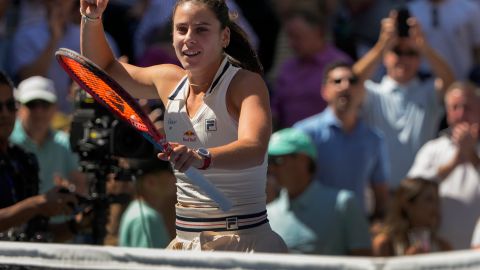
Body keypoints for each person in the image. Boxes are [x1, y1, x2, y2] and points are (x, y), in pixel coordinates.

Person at [80, 0, 287, 252]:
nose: (189, 38)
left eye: (201, 30)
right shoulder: (167, 80)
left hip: (243, 246)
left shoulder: (245, 84)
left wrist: (201, 158)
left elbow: (254, 148)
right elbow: (104, 69)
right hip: (187, 245)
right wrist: (92, 19)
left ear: (224, 36)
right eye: (181, 29)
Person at [353, 11, 455, 190]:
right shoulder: (372, 91)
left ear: (419, 60)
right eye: (397, 51)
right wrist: (381, 45)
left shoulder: (429, 91)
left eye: (411, 53)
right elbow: (351, 82)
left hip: (419, 193)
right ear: (386, 57)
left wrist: (424, 46)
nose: (404, 59)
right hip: (380, 192)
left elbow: (450, 82)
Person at [293, 62, 389, 218]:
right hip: (315, 225)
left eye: (352, 81)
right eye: (337, 81)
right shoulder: (304, 133)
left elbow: (380, 191)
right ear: (325, 91)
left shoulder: (374, 138)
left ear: (361, 91)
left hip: (357, 229)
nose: (345, 86)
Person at [0, 70, 81, 243]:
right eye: (32, 104)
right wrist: (37, 205)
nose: (5, 113)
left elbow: (36, 237)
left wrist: (77, 225)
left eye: (9, 105)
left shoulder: (24, 160)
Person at [267, 128, 372, 255]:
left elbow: (362, 259)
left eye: (278, 161)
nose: (271, 168)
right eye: (269, 162)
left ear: (303, 161)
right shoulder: (267, 213)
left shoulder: (343, 204)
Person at [408, 81, 480, 250]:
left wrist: (471, 156)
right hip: (439, 254)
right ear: (447, 113)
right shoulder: (431, 150)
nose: (461, 114)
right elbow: (413, 191)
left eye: (467, 107)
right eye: (455, 108)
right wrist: (455, 161)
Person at [271, 2, 351, 129]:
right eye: (290, 37)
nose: (292, 43)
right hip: (291, 142)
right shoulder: (287, 68)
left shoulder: (339, 65)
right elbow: (275, 110)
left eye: (298, 37)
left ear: (318, 32)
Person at [9, 76, 86, 195]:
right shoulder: (6, 141)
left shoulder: (64, 143)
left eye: (45, 104)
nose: (39, 111)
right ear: (18, 107)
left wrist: (69, 190)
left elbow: (81, 186)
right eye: (32, 104)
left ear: (55, 107)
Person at [373, 177, 451, 256]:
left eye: (437, 200)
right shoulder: (385, 244)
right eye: (429, 199)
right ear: (407, 204)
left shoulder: (443, 247)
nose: (436, 206)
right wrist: (408, 263)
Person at [407, 0, 480, 80]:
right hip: (426, 83)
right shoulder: (411, 10)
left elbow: (477, 47)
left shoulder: (469, 8)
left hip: (463, 80)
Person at [118, 158, 176, 248]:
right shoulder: (147, 217)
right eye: (171, 173)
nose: (175, 177)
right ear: (150, 182)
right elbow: (149, 261)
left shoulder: (136, 210)